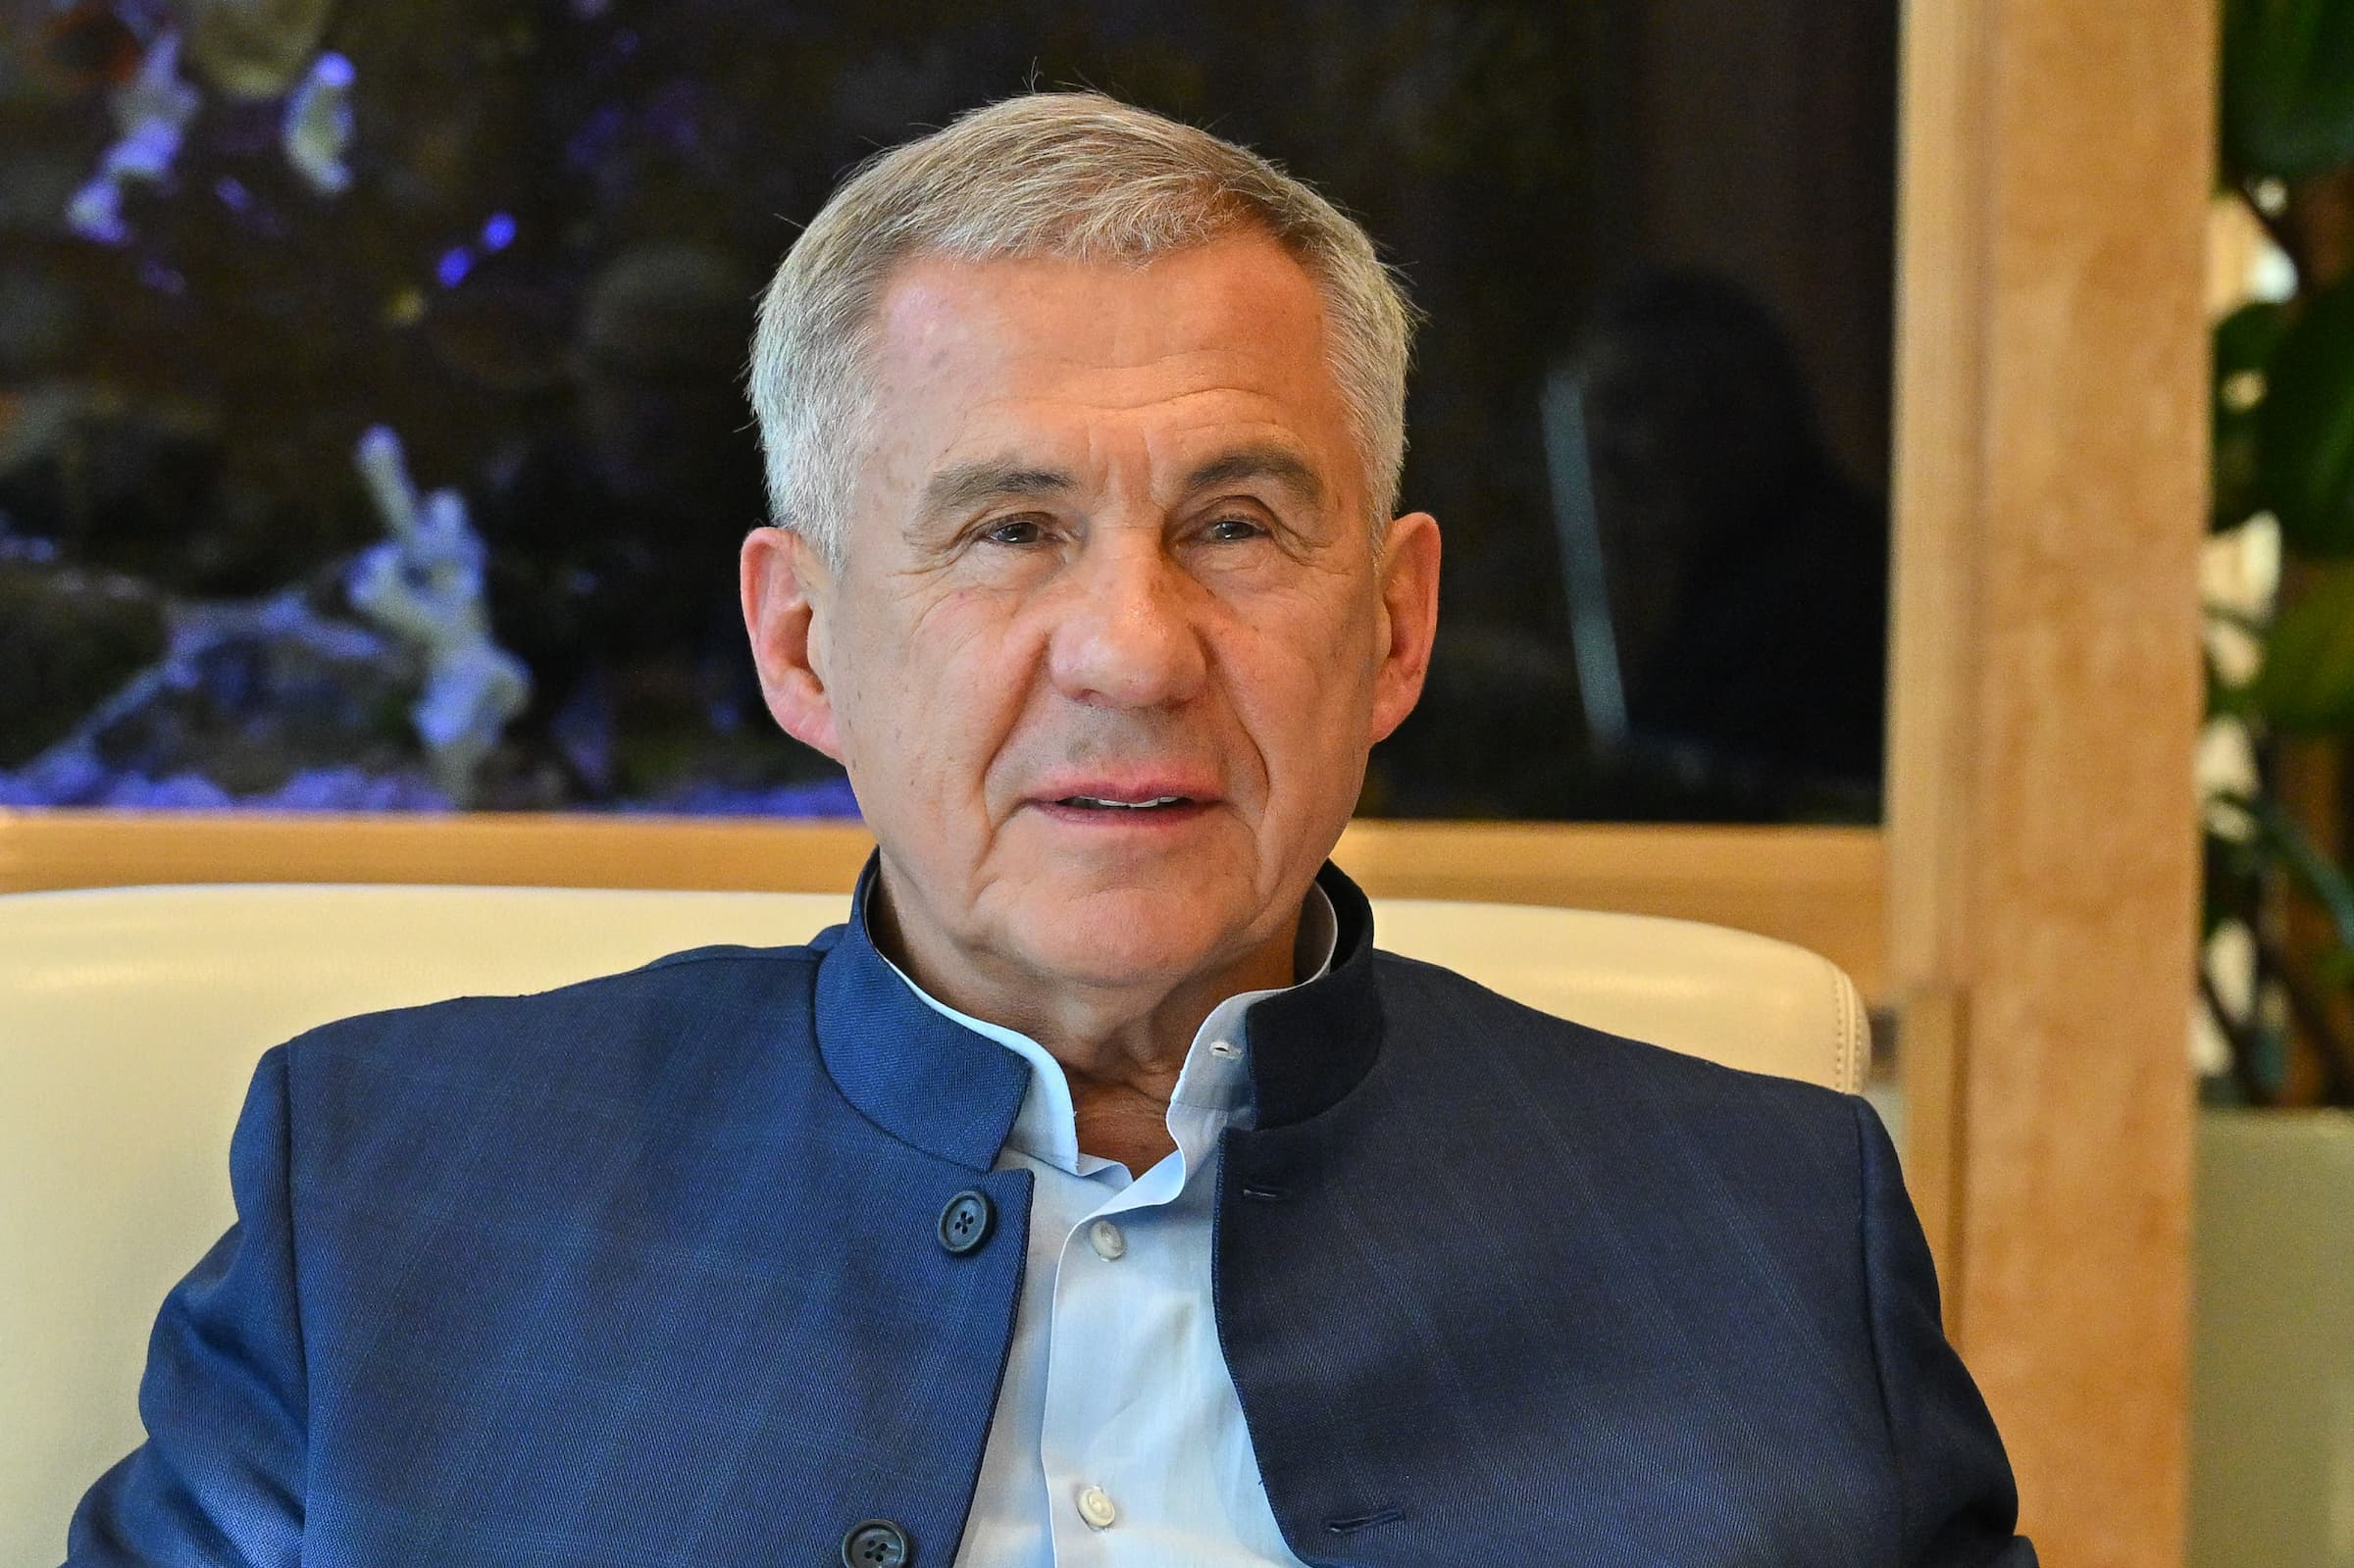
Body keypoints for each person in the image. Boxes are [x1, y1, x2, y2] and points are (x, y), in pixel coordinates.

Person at [66, 93, 2033, 1567]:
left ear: (1397, 626)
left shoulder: (1772, 1228)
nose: (1133, 651)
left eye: (1236, 526)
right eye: (1011, 529)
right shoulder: (392, 1193)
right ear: (802, 641)